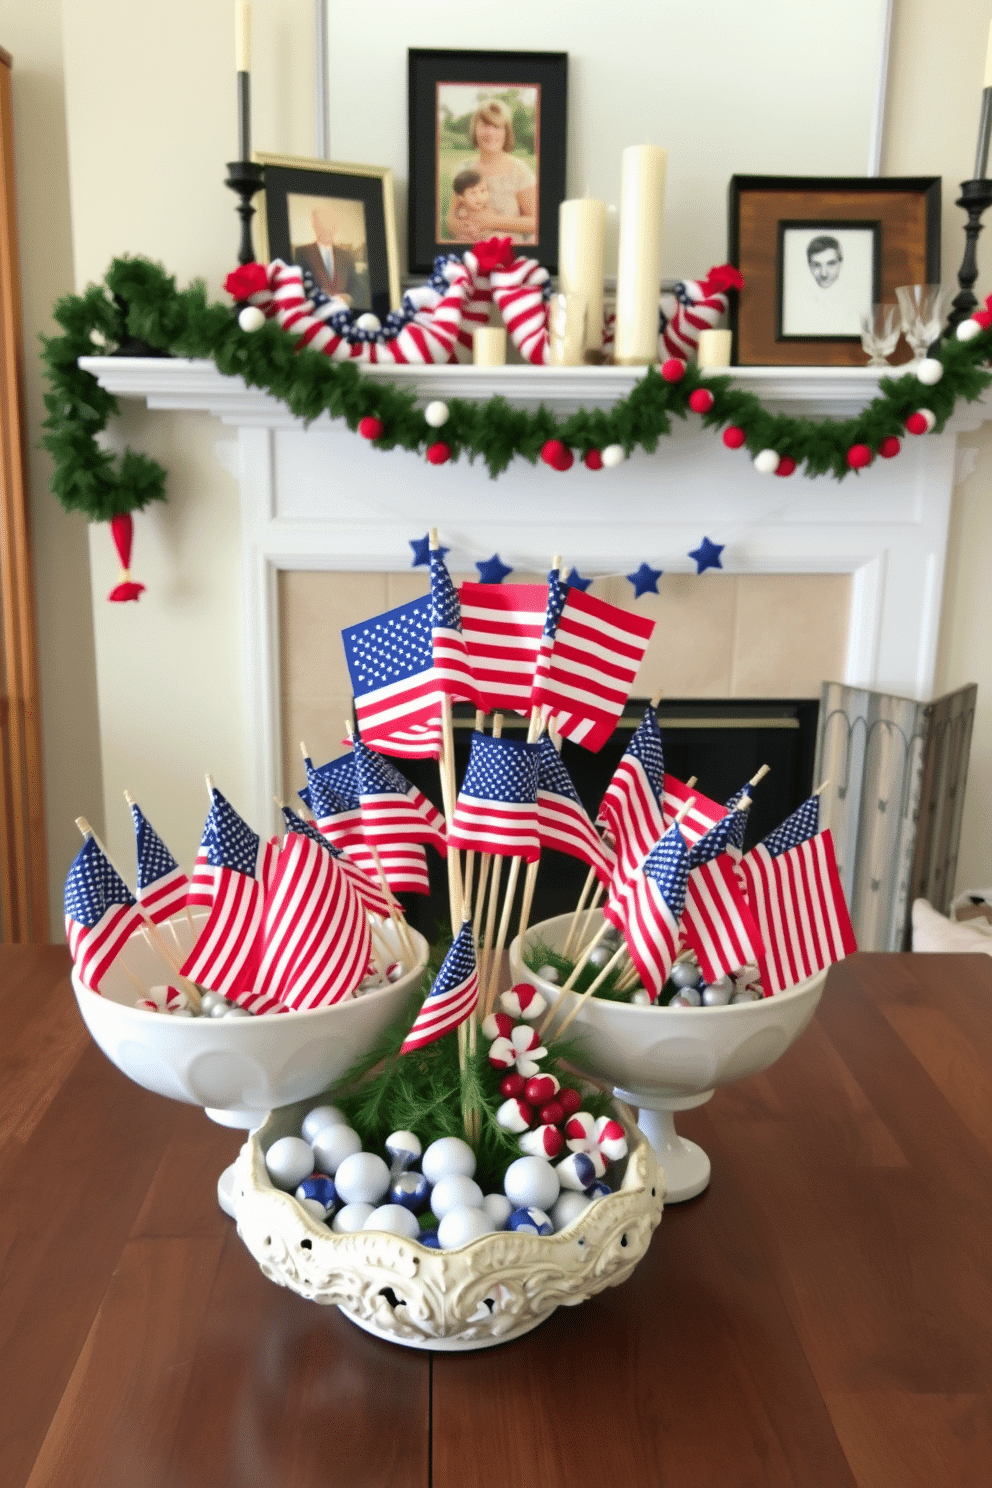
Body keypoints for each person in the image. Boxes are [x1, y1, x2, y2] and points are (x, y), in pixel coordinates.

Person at [444, 99, 536, 243]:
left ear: (506, 133)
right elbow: (451, 219)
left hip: (509, 251)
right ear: (475, 130)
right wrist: (464, 228)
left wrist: (492, 221)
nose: (490, 132)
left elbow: (535, 222)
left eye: (497, 126)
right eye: (484, 125)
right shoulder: (464, 170)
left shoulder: (519, 171)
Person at [294, 203, 368, 306]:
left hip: (342, 311)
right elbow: (298, 286)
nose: (325, 227)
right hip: (316, 312)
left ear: (335, 227)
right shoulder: (302, 252)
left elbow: (358, 287)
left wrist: (349, 298)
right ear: (315, 226)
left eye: (328, 223)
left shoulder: (346, 256)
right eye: (321, 223)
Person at [449, 168, 491, 239]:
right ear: (462, 198)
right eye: (472, 193)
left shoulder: (488, 210)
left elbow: (490, 228)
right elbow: (457, 229)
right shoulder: (462, 213)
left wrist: (483, 234)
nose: (479, 197)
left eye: (483, 191)